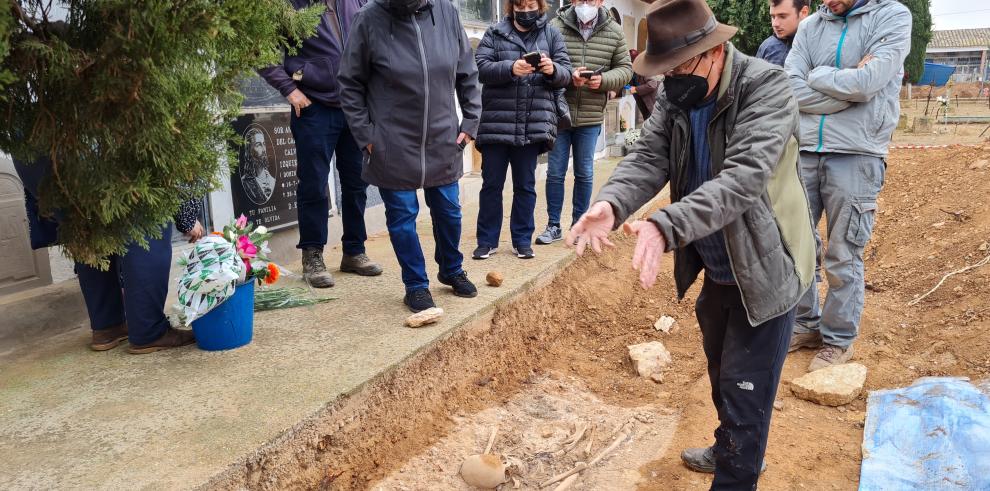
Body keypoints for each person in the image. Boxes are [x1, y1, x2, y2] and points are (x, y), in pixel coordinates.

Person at [567, 0, 816, 487]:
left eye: (680, 66)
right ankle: (731, 446)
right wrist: (613, 204)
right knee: (723, 375)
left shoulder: (765, 86)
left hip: (764, 266)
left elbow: (743, 180)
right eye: (665, 70)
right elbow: (648, 156)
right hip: (717, 261)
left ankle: (737, 468)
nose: (671, 78)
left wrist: (666, 225)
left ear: (715, 50)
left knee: (747, 393)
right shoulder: (678, 94)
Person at [786, 0, 911, 371]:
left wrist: (817, 76)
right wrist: (844, 89)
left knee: (844, 252)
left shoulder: (891, 17)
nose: (826, 2)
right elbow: (790, 87)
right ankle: (805, 324)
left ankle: (838, 339)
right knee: (798, 246)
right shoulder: (810, 28)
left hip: (858, 152)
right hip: (805, 149)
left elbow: (869, 82)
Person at [338, 0, 482, 313]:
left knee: (449, 211)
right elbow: (349, 84)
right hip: (392, 141)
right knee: (402, 218)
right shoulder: (369, 19)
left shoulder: (446, 12)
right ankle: (416, 285)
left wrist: (470, 122)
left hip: (442, 136)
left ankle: (451, 268)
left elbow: (467, 73)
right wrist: (367, 136)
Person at [14, 157, 203, 353]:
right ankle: (149, 331)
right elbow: (163, 150)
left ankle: (107, 327)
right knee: (147, 221)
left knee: (86, 226)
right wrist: (186, 216)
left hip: (34, 163)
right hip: (95, 155)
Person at [259, 0, 383, 289]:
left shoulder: (359, 3)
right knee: (313, 185)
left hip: (355, 108)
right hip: (314, 108)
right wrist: (289, 89)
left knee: (357, 183)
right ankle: (312, 256)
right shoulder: (291, 5)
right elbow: (259, 48)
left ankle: (354, 250)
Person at [472, 0, 572, 261]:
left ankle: (522, 241)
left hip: (532, 123)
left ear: (540, 6)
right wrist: (510, 68)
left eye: (530, 4)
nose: (525, 10)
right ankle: (486, 241)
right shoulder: (495, 32)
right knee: (491, 185)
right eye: (520, 4)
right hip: (497, 122)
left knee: (525, 186)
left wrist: (553, 70)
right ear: (511, 7)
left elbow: (567, 73)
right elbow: (481, 67)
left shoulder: (552, 34)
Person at [535, 0, 632, 245]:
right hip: (560, 113)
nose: (584, 3)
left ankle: (579, 224)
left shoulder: (614, 30)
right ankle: (553, 225)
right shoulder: (555, 26)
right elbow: (546, 65)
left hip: (590, 115)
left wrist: (604, 80)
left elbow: (625, 69)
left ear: (600, 1)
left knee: (585, 172)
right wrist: (568, 77)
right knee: (555, 172)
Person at [756, 0, 810, 67]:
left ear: (804, 12)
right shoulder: (767, 47)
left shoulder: (818, 46)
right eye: (773, 17)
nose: (775, 24)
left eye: (782, 16)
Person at [627, 49, 660, 120]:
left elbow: (652, 84)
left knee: (652, 127)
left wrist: (636, 89)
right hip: (643, 104)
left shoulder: (644, 69)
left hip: (651, 105)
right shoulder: (632, 71)